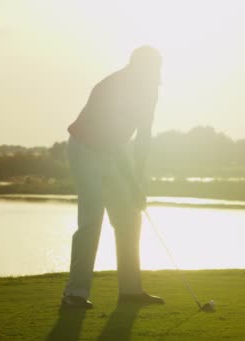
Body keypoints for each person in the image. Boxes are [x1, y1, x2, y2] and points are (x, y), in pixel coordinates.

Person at [61, 46, 164, 309]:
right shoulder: (112, 86)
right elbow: (111, 139)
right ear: (136, 67)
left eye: (158, 68)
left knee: (130, 216)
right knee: (92, 218)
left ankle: (131, 290)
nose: (156, 73)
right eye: (152, 68)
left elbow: (143, 138)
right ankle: (75, 293)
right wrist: (132, 182)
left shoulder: (150, 91)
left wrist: (137, 183)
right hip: (86, 149)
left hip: (112, 150)